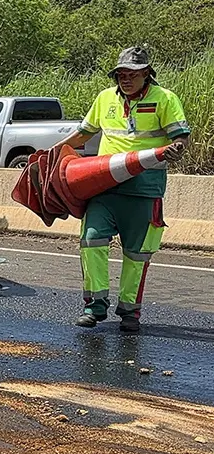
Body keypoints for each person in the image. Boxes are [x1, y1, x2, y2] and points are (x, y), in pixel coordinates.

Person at [49, 45, 190, 333]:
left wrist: (176, 150)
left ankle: (129, 312)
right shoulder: (104, 98)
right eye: (121, 74)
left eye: (132, 74)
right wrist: (51, 154)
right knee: (91, 240)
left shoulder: (165, 99)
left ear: (147, 74)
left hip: (143, 190)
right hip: (104, 188)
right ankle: (94, 305)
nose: (125, 79)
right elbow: (84, 134)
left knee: (137, 254)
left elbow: (181, 139)